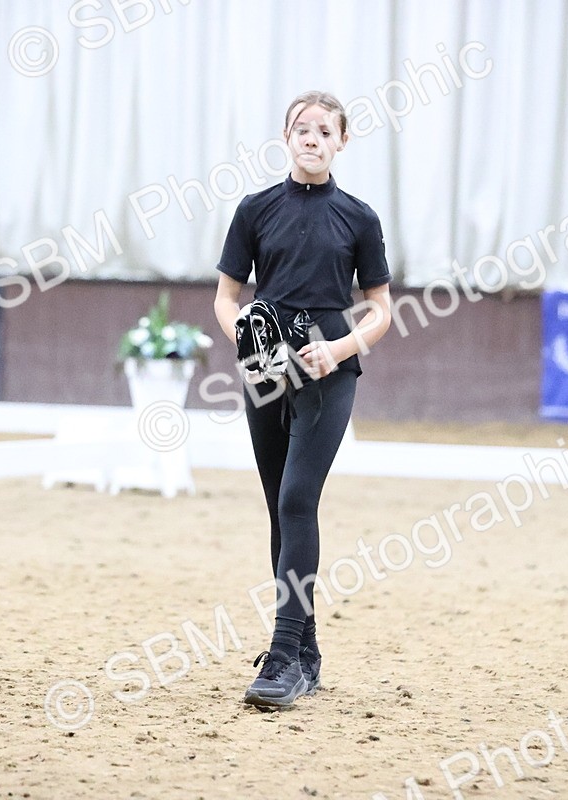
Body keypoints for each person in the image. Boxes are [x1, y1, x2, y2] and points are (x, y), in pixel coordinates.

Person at [213, 91, 394, 708]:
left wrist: (338, 350)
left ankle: (284, 653)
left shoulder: (359, 218)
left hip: (328, 371)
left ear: (342, 140)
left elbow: (381, 311)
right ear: (286, 138)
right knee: (281, 510)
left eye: (323, 130)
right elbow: (226, 298)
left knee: (296, 497)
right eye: (300, 129)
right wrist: (244, 336)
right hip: (265, 371)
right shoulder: (255, 209)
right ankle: (306, 652)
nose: (311, 137)